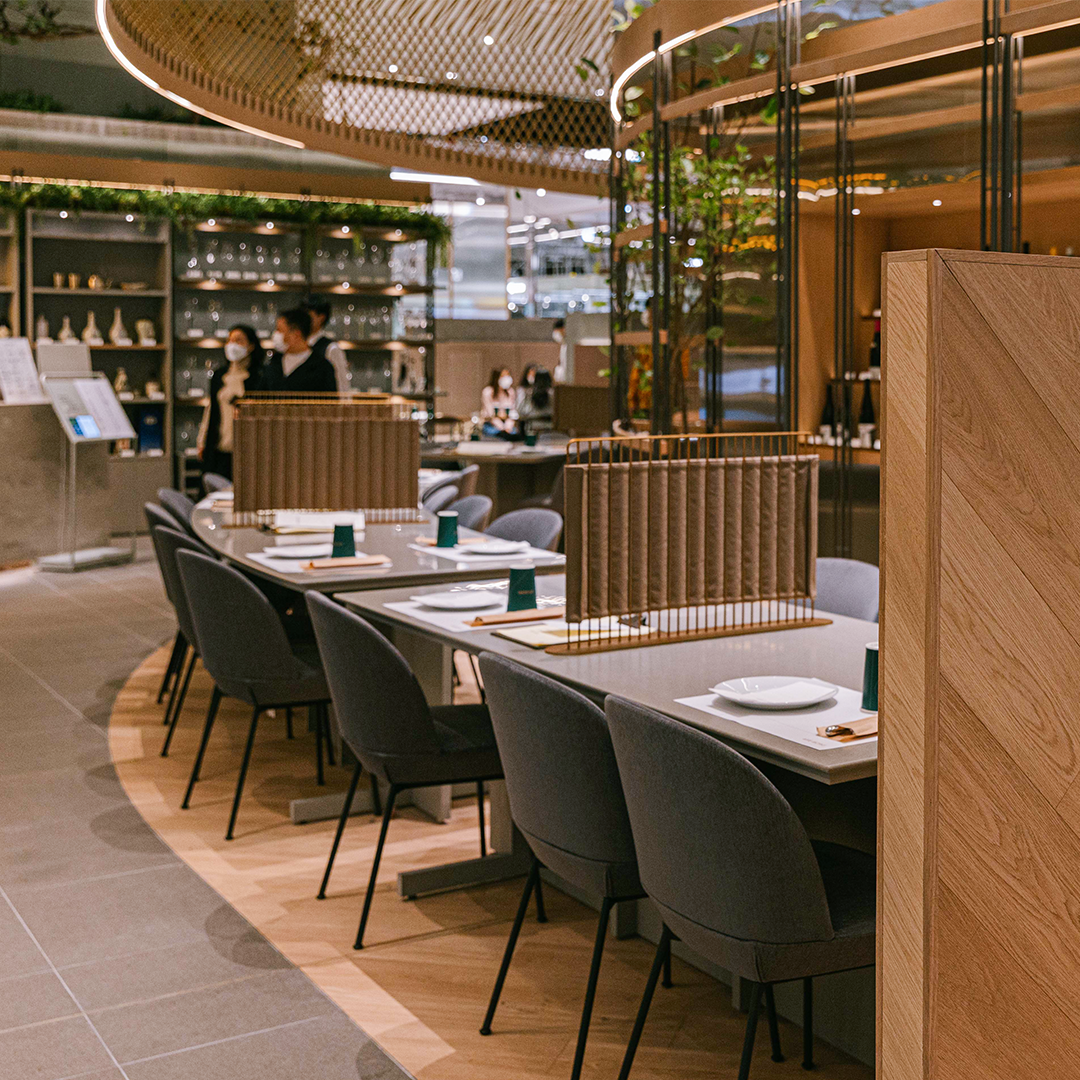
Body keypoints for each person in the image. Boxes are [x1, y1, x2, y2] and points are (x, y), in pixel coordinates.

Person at [197, 324, 264, 480]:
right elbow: (211, 409)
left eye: (239, 340)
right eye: (230, 340)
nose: (232, 345)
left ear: (251, 346)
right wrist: (202, 440)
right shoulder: (220, 375)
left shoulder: (259, 376)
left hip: (248, 449)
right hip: (219, 446)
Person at [260, 308, 336, 392]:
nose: (276, 335)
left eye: (279, 330)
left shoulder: (321, 367)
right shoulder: (274, 363)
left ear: (296, 334)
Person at [306, 296, 350, 393]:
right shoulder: (298, 345)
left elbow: (342, 387)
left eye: (308, 315)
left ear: (321, 318)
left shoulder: (331, 348)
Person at [480, 367, 517, 438]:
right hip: (491, 424)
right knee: (495, 433)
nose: (506, 378)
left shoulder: (510, 392)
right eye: (503, 376)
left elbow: (512, 412)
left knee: (514, 434)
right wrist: (502, 428)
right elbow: (491, 414)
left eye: (508, 375)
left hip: (507, 425)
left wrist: (508, 427)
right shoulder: (488, 391)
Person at [517, 366, 554, 435]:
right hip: (550, 428)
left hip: (532, 428)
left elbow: (521, 412)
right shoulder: (554, 394)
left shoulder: (529, 393)